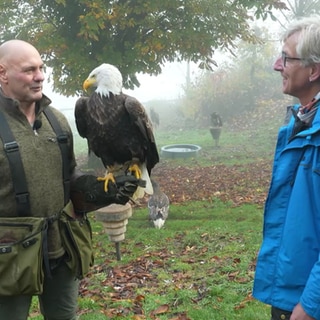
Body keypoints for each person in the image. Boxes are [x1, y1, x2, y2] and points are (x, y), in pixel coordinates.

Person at [0, 39, 144, 320]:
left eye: (41, 68)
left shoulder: (57, 120)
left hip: (61, 249)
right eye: (29, 70)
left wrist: (101, 191)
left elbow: (69, 177)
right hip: (9, 256)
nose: (40, 76)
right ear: (2, 73)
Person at [253, 15, 320, 320]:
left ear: (314, 70)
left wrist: (309, 306)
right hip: (292, 293)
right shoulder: (302, 122)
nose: (277, 66)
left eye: (286, 58)